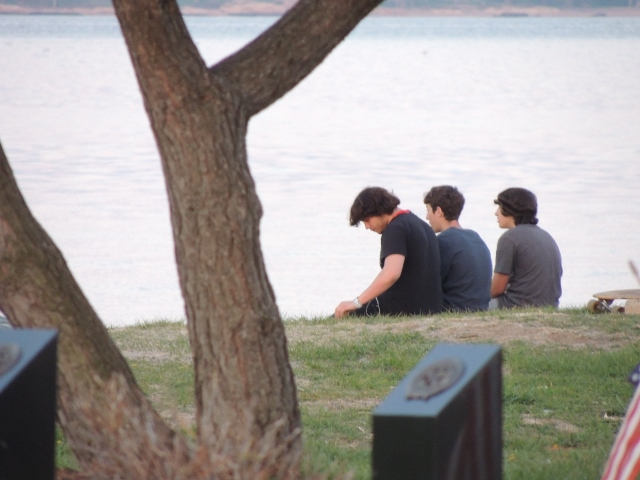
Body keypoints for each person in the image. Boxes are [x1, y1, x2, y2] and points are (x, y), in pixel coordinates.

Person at [334, 187, 442, 318]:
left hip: (401, 308)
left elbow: (391, 273)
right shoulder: (422, 225)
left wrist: (356, 302)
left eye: (367, 220)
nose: (367, 227)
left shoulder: (395, 229)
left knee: (339, 317)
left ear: (379, 211)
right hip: (431, 308)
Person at [491, 187, 562, 309]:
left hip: (517, 306)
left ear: (510, 209)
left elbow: (496, 289)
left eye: (500, 207)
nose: (496, 213)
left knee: (471, 304)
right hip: (550, 306)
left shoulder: (509, 238)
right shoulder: (545, 235)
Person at [423, 186, 492, 312]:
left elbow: (429, 284)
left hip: (455, 309)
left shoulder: (443, 241)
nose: (427, 217)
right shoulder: (475, 237)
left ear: (438, 211)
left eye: (428, 211)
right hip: (481, 307)